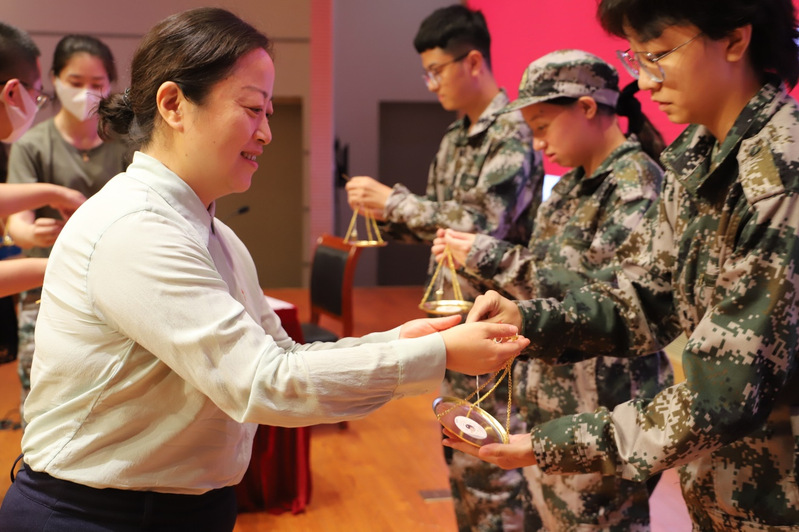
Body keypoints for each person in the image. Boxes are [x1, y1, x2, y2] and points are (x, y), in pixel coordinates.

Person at [0, 8, 529, 532]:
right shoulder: (136, 227)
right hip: (94, 515)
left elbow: (282, 356)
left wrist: (397, 341)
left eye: (269, 112)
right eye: (253, 109)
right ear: (173, 104)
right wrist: (436, 354)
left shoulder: (215, 234)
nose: (267, 133)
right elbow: (263, 382)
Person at [445, 0, 799, 529]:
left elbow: (724, 394)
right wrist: (526, 320)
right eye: (636, 58)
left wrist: (552, 444)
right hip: (723, 493)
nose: (646, 81)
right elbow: (642, 296)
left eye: (659, 55)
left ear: (734, 39)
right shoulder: (700, 155)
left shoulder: (780, 174)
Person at [433, 50, 672, 531]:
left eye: (543, 126)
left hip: (603, 411)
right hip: (553, 407)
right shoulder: (569, 187)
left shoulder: (636, 183)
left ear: (587, 107)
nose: (538, 143)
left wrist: (492, 256)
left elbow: (605, 298)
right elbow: (550, 280)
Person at [346, 5, 543, 529]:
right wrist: (382, 216)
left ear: (473, 62)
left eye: (436, 71)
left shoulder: (513, 131)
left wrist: (394, 202)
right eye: (426, 74)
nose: (432, 84)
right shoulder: (456, 136)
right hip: (458, 320)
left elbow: (480, 224)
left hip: (502, 323)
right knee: (461, 451)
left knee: (494, 467)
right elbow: (436, 225)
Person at [6, 33, 129, 422]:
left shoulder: (126, 145)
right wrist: (37, 236)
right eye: (75, 82)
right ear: (54, 80)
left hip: (115, 289)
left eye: (97, 83)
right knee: (43, 394)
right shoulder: (33, 145)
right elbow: (17, 224)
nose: (86, 93)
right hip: (43, 292)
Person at [0, 23, 87, 296]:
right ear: (12, 92)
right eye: (37, 95)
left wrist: (54, 194)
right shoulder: (33, 144)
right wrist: (69, 266)